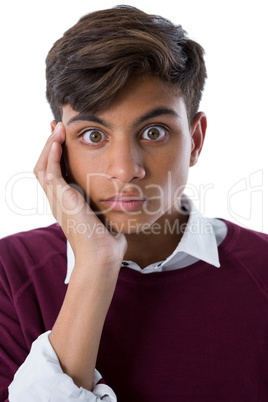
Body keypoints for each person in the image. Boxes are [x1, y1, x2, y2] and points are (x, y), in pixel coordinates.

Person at [1, 5, 268, 402]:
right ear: (59, 147)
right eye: (94, 135)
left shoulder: (261, 270)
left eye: (154, 131)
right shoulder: (10, 271)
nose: (125, 170)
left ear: (195, 140)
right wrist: (95, 265)